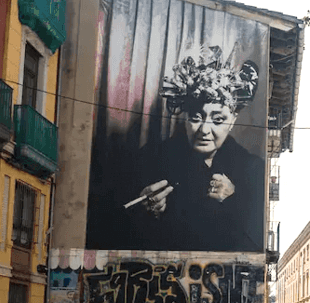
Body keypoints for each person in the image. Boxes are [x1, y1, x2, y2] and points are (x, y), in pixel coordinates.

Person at [100, 45, 264, 253]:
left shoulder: (252, 170)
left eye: (218, 119)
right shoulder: (151, 159)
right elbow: (111, 231)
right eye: (196, 117)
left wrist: (233, 200)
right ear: (185, 116)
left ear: (232, 122)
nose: (204, 130)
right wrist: (142, 213)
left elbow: (255, 246)